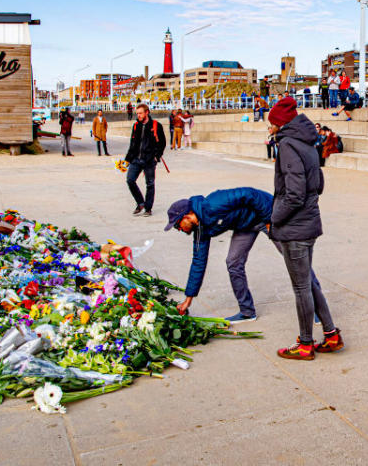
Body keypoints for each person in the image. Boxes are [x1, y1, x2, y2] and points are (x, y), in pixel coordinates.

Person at [265, 97, 342, 360]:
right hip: (309, 221)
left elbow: (294, 194)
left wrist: (275, 217)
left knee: (301, 288)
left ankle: (306, 344)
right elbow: (318, 183)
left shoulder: (287, 145)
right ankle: (331, 334)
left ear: (280, 123)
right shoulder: (308, 142)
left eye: (271, 123)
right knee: (308, 282)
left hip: (295, 227)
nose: (269, 128)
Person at [168, 188, 284, 323]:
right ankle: (247, 312)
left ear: (187, 216)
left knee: (292, 258)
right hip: (244, 225)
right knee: (233, 262)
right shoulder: (200, 230)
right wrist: (188, 300)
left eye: (178, 225)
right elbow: (198, 262)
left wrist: (269, 220)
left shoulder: (214, 203)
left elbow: (250, 194)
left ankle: (314, 307)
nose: (180, 229)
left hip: (264, 215)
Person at [124, 103, 166, 217]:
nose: (138, 115)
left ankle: (148, 208)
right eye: (137, 113)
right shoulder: (136, 125)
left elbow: (162, 143)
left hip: (149, 160)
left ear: (147, 112)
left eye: (140, 113)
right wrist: (127, 159)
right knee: (130, 180)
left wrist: (156, 156)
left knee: (150, 184)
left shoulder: (156, 125)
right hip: (136, 159)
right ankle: (140, 203)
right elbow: (132, 144)